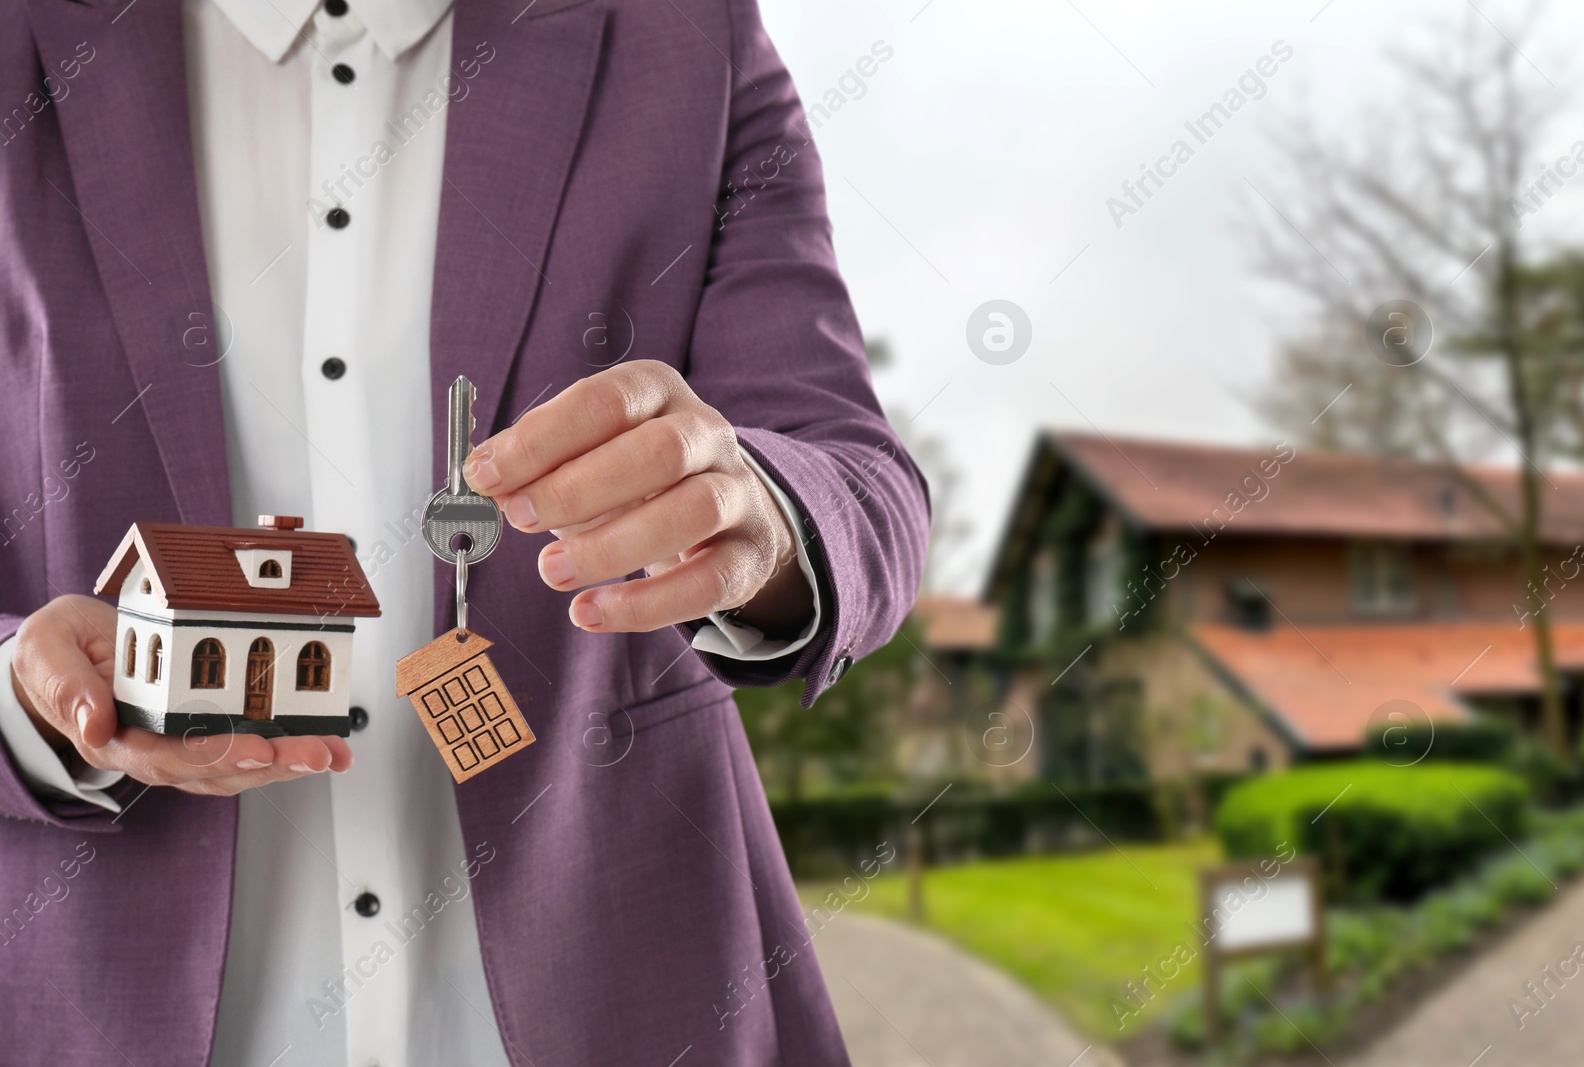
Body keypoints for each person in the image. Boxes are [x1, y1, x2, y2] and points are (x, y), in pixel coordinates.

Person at [0, 0, 928, 1062]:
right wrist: (23, 699)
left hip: (622, 987)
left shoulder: (681, 34)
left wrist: (754, 511)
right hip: (101, 1004)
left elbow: (864, 486)